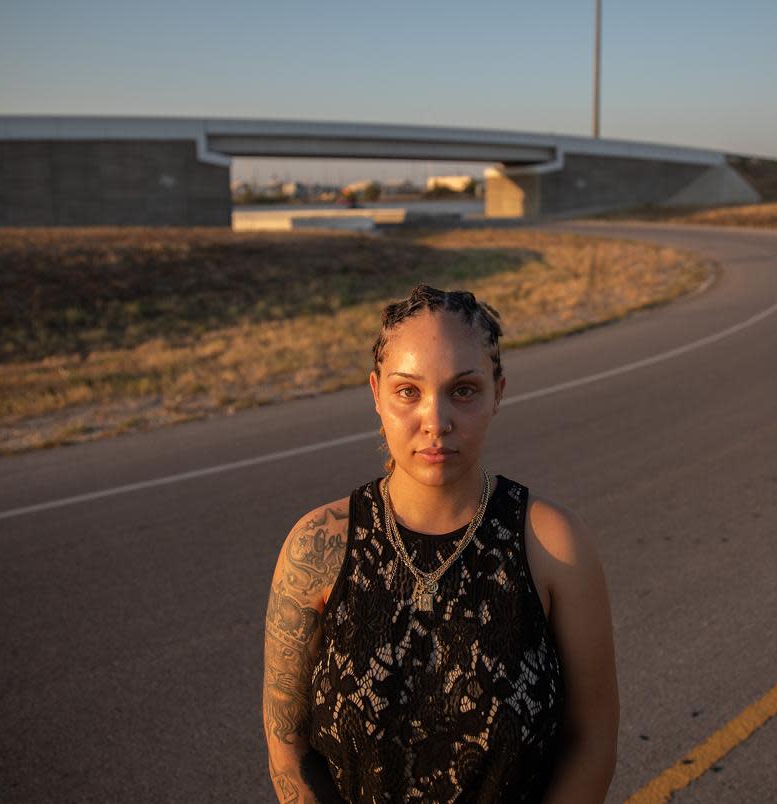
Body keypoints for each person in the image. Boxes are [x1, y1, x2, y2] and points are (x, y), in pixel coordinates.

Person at [263, 285, 619, 803]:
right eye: (409, 392)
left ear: (498, 392)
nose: (436, 421)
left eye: (464, 390)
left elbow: (592, 740)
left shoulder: (554, 547)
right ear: (376, 393)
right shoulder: (317, 548)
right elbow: (287, 747)